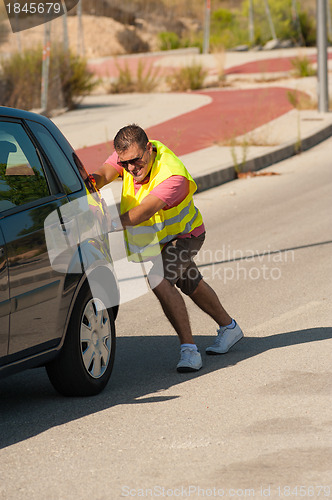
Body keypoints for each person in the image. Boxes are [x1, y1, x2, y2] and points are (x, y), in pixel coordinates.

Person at [92, 124, 243, 372]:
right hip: (160, 239)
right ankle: (230, 328)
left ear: (148, 149)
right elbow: (104, 173)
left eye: (135, 161)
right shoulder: (132, 155)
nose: (131, 169)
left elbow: (144, 211)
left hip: (186, 236)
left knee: (158, 280)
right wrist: (88, 184)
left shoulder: (173, 176)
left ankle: (189, 351)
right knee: (190, 283)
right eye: (125, 163)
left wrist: (103, 223)